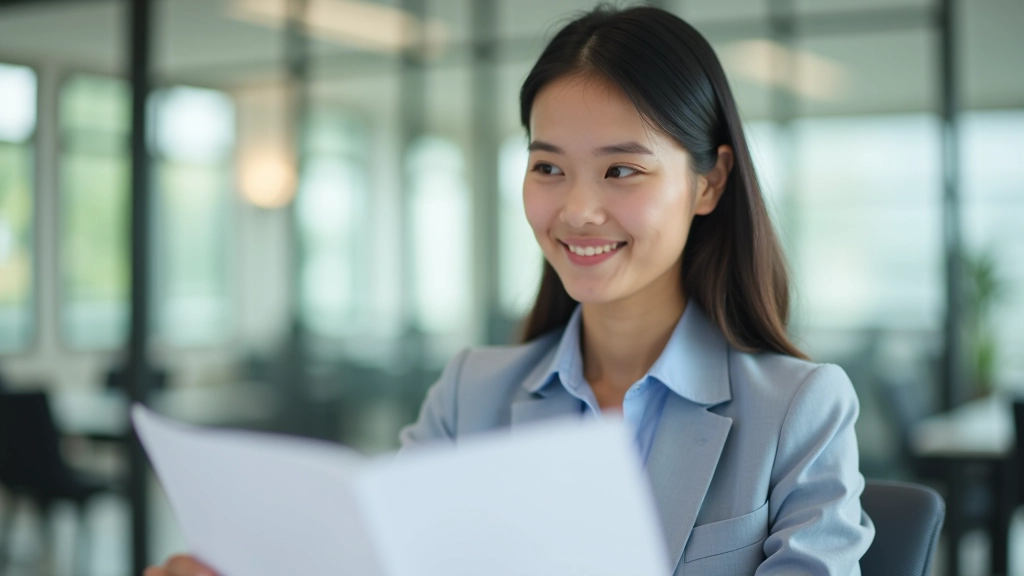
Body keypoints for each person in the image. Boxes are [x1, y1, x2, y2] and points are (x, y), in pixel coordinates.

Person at [146, 5, 874, 576]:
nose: (576, 210)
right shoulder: (472, 396)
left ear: (709, 181)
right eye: (548, 168)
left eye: (621, 170)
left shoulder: (798, 411)